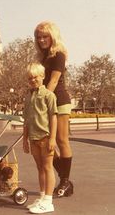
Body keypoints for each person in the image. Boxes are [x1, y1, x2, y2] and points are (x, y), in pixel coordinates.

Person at [34, 21, 73, 198]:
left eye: (45, 36)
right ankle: (64, 178)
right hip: (46, 100)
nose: (42, 40)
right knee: (45, 141)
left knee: (61, 140)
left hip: (59, 100)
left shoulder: (59, 55)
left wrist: (43, 100)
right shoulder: (41, 58)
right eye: (39, 37)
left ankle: (65, 181)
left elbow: (54, 81)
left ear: (52, 36)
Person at [23, 62, 58, 214]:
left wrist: (52, 139)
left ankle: (49, 201)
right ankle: (42, 196)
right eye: (30, 78)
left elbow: (53, 118)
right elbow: (26, 120)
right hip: (33, 138)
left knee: (47, 167)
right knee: (39, 168)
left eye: (35, 77)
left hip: (45, 137)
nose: (33, 80)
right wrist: (25, 139)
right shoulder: (28, 97)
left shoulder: (49, 95)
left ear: (42, 77)